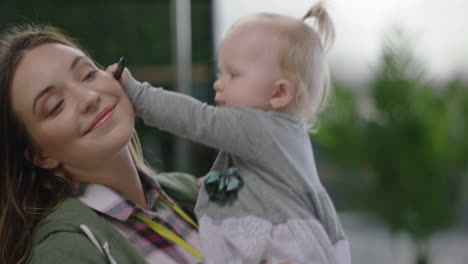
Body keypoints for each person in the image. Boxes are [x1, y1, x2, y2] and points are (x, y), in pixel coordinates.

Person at [110, 2, 351, 264]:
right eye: (219, 72)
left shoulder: (257, 127)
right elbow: (263, 186)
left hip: (278, 251)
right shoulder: (285, 132)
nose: (218, 83)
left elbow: (195, 119)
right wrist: (217, 184)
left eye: (233, 75)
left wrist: (136, 93)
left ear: (279, 93)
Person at [0, 25, 203, 264]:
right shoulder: (64, 252)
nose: (90, 98)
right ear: (40, 155)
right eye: (55, 105)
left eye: (88, 74)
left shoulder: (190, 192)